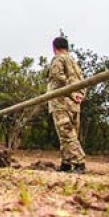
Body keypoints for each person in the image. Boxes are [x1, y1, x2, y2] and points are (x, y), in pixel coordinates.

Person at [47, 36, 87, 173]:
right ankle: (66, 163)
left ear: (54, 48)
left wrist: (71, 93)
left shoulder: (59, 59)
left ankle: (79, 161)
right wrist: (80, 95)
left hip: (61, 101)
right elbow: (82, 81)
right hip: (74, 104)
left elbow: (57, 76)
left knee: (66, 134)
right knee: (69, 133)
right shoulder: (74, 62)